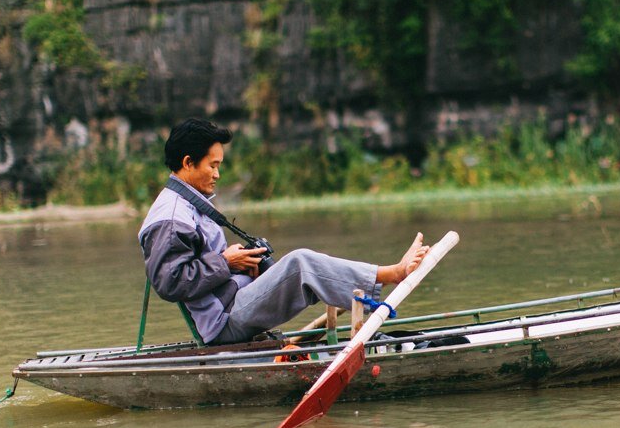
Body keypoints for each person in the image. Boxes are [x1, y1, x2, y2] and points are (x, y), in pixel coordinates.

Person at [138, 119, 431, 345]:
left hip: (232, 299)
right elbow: (170, 282)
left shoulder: (188, 204)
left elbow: (202, 268)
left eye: (219, 166)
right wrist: (226, 263)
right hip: (223, 320)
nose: (217, 174)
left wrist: (243, 264)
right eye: (212, 166)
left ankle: (375, 283)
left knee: (299, 265)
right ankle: (392, 274)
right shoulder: (172, 216)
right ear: (188, 163)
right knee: (300, 263)